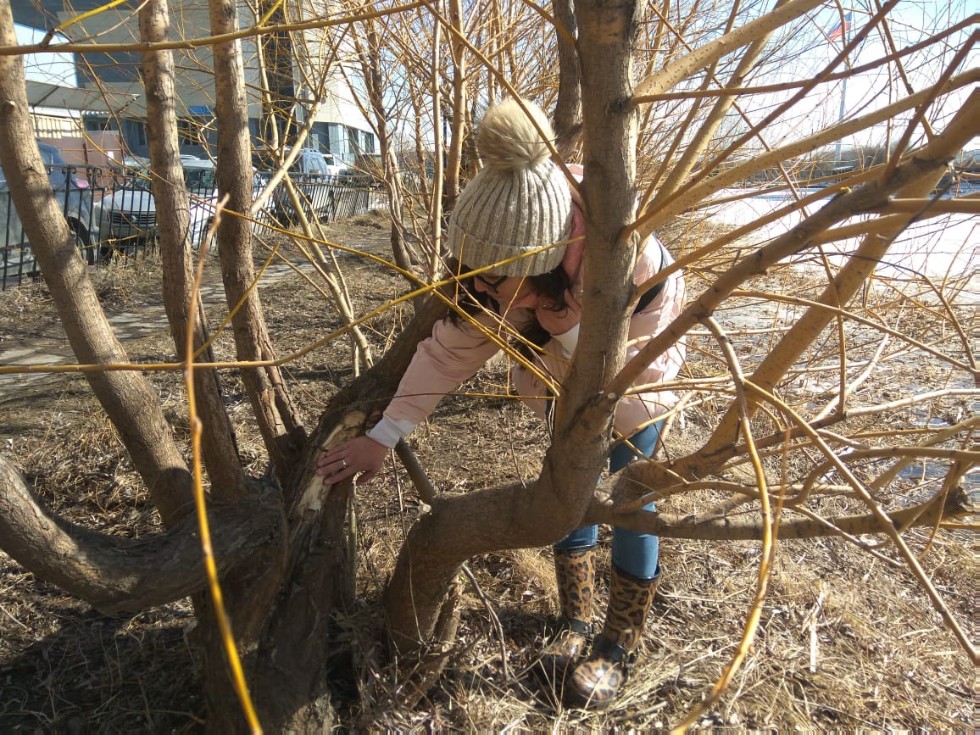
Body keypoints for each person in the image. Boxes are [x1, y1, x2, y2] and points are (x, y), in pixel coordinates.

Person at [316, 97, 685, 708]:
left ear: (540, 264)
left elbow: (641, 350)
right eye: (471, 271)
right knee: (565, 485)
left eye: (493, 278)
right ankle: (577, 616)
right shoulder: (497, 266)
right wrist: (382, 437)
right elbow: (448, 351)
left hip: (634, 388)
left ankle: (619, 639)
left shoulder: (626, 250)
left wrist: (557, 324)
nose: (477, 289)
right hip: (555, 368)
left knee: (627, 497)